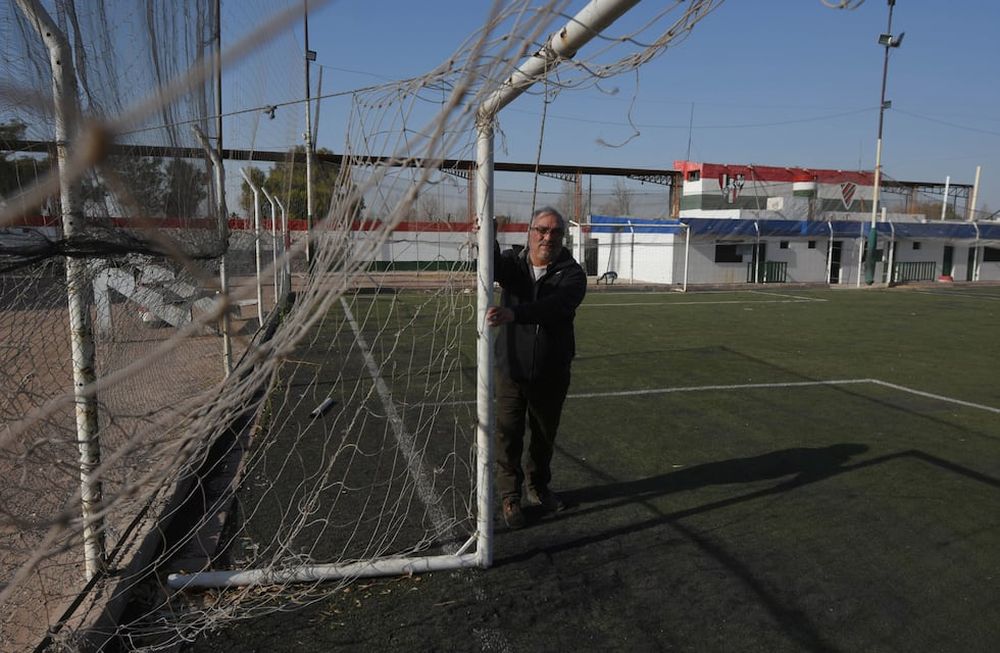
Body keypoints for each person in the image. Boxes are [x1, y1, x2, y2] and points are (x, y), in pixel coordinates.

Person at [486, 207, 587, 529]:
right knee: (508, 435)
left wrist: (515, 315)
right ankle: (510, 496)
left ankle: (539, 488)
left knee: (544, 436)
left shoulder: (572, 274)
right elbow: (488, 265)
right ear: (529, 233)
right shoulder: (513, 266)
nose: (548, 237)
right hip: (511, 369)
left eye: (555, 232)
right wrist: (486, 236)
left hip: (551, 372)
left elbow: (553, 307)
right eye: (542, 230)